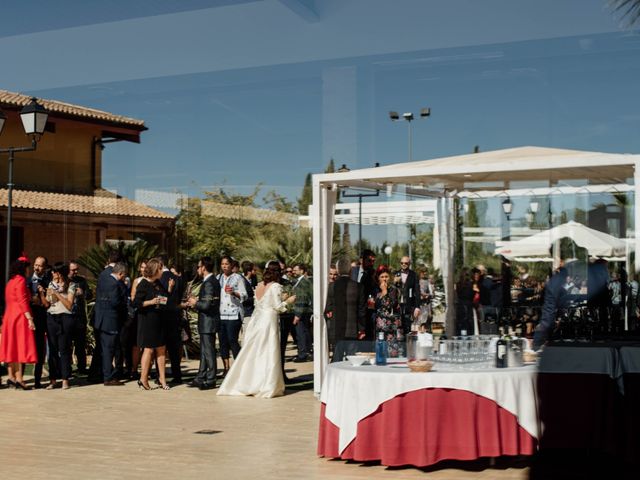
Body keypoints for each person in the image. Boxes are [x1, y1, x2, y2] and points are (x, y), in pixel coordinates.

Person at [217, 261, 295, 398]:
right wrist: (288, 301)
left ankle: (250, 382)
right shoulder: (276, 286)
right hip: (269, 321)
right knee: (269, 352)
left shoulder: (259, 286)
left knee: (255, 351)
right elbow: (278, 307)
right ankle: (267, 384)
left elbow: (259, 303)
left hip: (257, 320)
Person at [0, 257, 37, 390]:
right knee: (21, 347)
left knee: (11, 347)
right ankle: (20, 379)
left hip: (9, 317)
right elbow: (22, 301)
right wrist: (30, 319)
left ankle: (11, 376)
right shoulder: (21, 281)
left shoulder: (10, 281)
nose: (29, 270)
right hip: (19, 317)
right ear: (23, 268)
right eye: (27, 267)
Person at [133, 258, 170, 390]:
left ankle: (162, 380)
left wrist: (164, 298)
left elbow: (165, 297)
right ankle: (143, 379)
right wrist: (151, 302)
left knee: (161, 349)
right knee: (148, 349)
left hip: (159, 320)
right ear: (155, 270)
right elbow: (136, 303)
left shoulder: (158, 283)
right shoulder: (143, 284)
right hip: (147, 320)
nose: (162, 271)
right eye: (161, 269)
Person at [41, 262, 77, 390]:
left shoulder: (71, 285)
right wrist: (43, 294)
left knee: (64, 350)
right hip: (52, 318)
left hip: (65, 318)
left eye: (56, 272)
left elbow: (69, 305)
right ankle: (53, 379)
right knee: (52, 351)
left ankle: (65, 379)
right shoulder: (51, 284)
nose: (54, 274)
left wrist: (57, 294)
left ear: (61, 273)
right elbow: (47, 304)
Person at [187, 256, 220, 390]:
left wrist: (195, 303)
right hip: (207, 321)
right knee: (204, 351)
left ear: (204, 268)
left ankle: (211, 379)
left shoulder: (209, 283)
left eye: (199, 267)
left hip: (208, 322)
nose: (197, 269)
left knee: (209, 351)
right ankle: (200, 376)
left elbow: (206, 305)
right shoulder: (211, 281)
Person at [94, 261, 128, 386]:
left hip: (101, 319)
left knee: (105, 349)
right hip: (111, 320)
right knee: (109, 350)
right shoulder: (115, 284)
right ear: (120, 273)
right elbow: (115, 302)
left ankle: (106, 374)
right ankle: (108, 377)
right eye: (124, 275)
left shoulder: (103, 279)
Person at [324, 257, 367, 352]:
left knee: (337, 359)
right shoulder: (358, 287)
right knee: (351, 361)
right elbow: (362, 310)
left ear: (338, 270)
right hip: (353, 329)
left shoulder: (331, 286)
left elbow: (328, 307)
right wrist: (362, 328)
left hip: (336, 328)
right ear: (350, 270)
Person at [218, 255, 247, 376]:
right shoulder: (218, 277)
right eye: (222, 264)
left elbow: (244, 295)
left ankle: (239, 367)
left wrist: (234, 293)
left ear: (231, 265)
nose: (224, 266)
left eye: (227, 264)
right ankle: (226, 368)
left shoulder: (238, 278)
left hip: (234, 314)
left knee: (232, 340)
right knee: (222, 342)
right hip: (221, 314)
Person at [157, 254, 183, 384]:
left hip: (162, 317)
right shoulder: (176, 278)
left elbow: (160, 299)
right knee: (174, 348)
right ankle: (177, 374)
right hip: (175, 315)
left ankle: (159, 376)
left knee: (160, 347)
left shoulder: (159, 278)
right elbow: (179, 297)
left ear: (160, 265)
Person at [26, 255, 51, 388]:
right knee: (28, 348)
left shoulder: (48, 281)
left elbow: (49, 302)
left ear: (45, 267)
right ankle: (21, 379)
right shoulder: (27, 281)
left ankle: (37, 380)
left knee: (41, 350)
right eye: (36, 264)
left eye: (40, 265)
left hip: (43, 319)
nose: (37, 267)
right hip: (30, 319)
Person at [373, 265, 404, 357]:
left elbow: (391, 304)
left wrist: (385, 292)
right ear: (378, 278)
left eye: (386, 276)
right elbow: (375, 305)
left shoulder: (393, 289)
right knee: (381, 351)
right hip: (380, 326)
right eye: (382, 277)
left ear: (389, 277)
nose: (384, 279)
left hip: (392, 327)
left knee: (392, 352)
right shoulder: (376, 290)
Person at [68, 261, 91, 374]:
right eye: (73, 270)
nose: (76, 272)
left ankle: (81, 367)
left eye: (77, 269)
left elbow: (90, 295)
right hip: (67, 316)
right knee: (67, 345)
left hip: (79, 317)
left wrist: (83, 293)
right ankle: (67, 367)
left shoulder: (81, 281)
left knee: (80, 344)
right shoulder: (64, 281)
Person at [351, 249, 377, 339]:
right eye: (369, 260)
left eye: (373, 261)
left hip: (368, 311)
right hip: (353, 310)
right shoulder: (352, 271)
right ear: (361, 260)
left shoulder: (374, 274)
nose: (371, 263)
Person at [292, 263, 313, 363]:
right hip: (304, 311)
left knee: (301, 333)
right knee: (304, 332)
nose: (293, 271)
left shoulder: (303, 282)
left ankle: (302, 354)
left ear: (302, 271)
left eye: (295, 270)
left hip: (302, 311)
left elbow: (303, 299)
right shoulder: (299, 281)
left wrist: (297, 315)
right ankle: (305, 351)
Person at [394, 256, 421, 334]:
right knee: (397, 327)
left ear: (409, 264)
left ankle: (407, 344)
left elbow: (417, 291)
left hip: (408, 304)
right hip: (397, 305)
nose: (403, 264)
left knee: (407, 327)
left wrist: (417, 307)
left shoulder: (414, 275)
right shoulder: (396, 273)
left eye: (406, 263)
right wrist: (394, 282)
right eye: (402, 263)